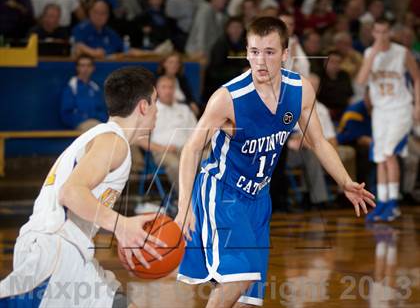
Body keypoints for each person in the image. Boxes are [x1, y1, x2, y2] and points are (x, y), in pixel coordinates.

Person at [175, 17, 375, 307]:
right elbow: (191, 149)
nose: (260, 61)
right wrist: (184, 208)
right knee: (238, 278)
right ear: (246, 52)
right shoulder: (228, 98)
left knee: (248, 297)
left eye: (269, 52)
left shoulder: (300, 89)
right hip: (222, 193)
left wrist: (345, 181)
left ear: (285, 54)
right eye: (254, 51)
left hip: (258, 199)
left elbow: (318, 142)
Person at [0, 67, 165, 307]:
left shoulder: (103, 136)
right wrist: (122, 225)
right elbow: (71, 192)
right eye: (155, 102)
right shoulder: (113, 141)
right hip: (54, 250)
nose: (157, 111)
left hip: (73, 249)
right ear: (143, 106)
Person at [356, 18, 420, 222]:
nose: (381, 36)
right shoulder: (369, 54)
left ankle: (393, 203)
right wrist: (373, 54)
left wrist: (418, 105)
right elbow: (360, 81)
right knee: (380, 158)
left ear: (390, 32)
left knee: (389, 154)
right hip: (380, 112)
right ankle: (382, 202)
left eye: (385, 32)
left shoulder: (401, 52)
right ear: (373, 33)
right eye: (378, 32)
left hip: (400, 109)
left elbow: (417, 78)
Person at [139, 75, 197, 195]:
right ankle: (186, 200)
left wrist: (191, 148)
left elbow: (196, 134)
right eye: (163, 87)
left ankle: (210, 196)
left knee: (210, 158)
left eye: (171, 87)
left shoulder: (185, 109)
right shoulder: (150, 110)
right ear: (157, 90)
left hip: (187, 149)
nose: (168, 90)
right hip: (162, 151)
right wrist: (163, 148)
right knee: (176, 165)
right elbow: (140, 140)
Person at [60, 54, 107, 131]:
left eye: (88, 66)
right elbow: (66, 114)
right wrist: (84, 118)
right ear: (77, 68)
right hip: (81, 125)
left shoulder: (95, 88)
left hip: (98, 124)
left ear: (93, 68)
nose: (85, 69)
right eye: (82, 65)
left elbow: (102, 111)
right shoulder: (71, 87)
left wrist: (99, 119)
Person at [156, 52, 200, 116]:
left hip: (185, 110)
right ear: (164, 64)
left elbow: (190, 97)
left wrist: (192, 104)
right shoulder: (157, 80)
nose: (174, 65)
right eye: (171, 62)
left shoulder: (181, 79)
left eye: (177, 63)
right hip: (165, 111)